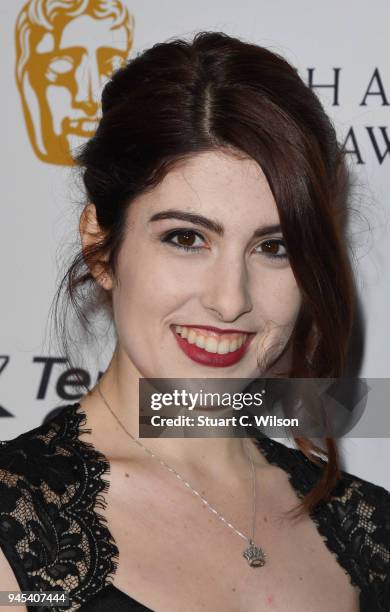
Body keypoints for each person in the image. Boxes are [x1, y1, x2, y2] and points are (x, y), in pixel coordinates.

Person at [1, 31, 389, 612]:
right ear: (101, 247)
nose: (229, 300)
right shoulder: (16, 533)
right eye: (186, 238)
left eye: (275, 247)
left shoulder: (373, 529)